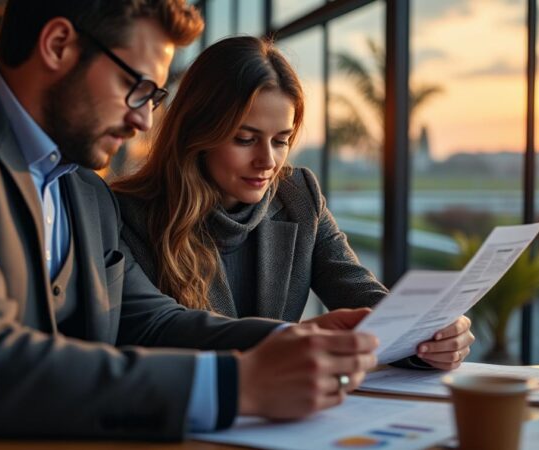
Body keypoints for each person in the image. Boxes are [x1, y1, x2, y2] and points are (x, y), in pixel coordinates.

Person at [0, 2, 381, 449]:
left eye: (153, 97)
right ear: (57, 45)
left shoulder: (86, 190)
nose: (143, 121)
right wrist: (236, 384)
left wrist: (285, 343)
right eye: (134, 87)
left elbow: (150, 321)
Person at [112, 36, 475, 372]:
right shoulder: (126, 214)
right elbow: (158, 334)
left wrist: (424, 334)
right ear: (197, 133)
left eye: (281, 140)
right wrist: (291, 338)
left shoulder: (298, 194)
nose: (267, 161)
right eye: (245, 139)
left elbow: (356, 288)